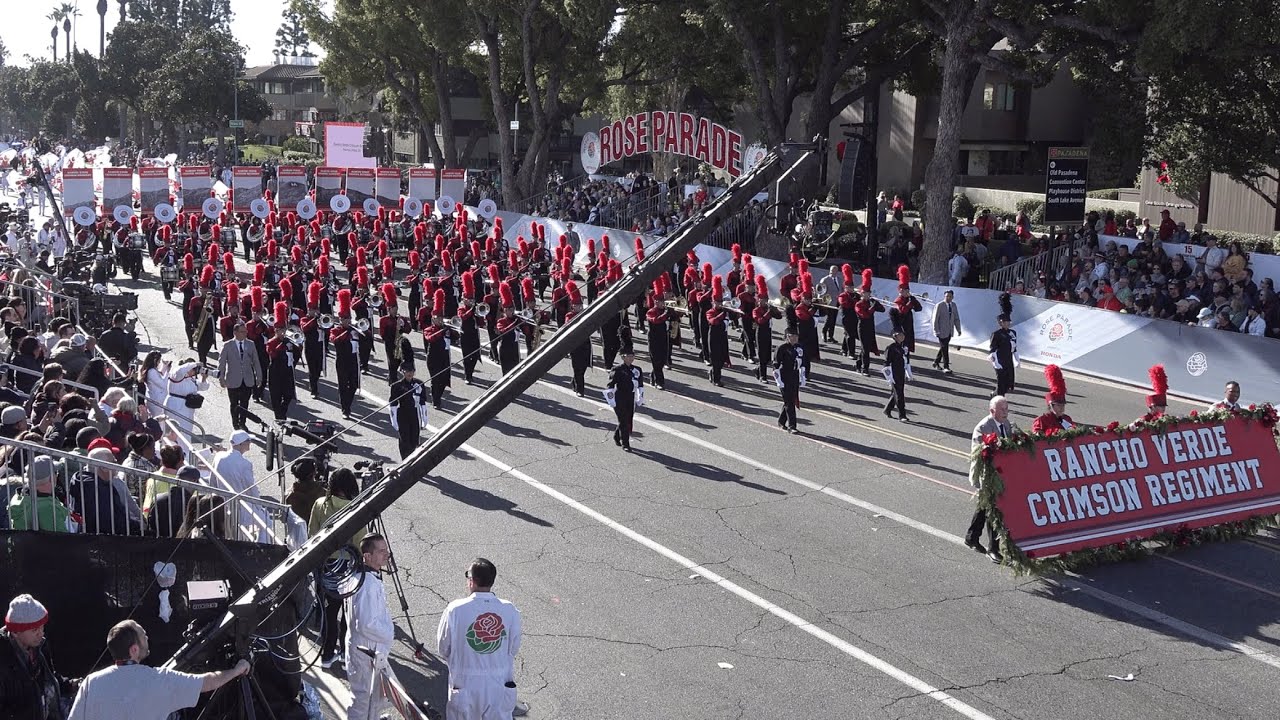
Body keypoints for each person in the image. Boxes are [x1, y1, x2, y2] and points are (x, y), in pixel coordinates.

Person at [67, 619, 249, 720]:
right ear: (134, 650)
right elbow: (207, 682)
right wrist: (237, 670)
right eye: (143, 635)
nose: (147, 637)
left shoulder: (91, 683)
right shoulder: (159, 680)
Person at [437, 558, 522, 720]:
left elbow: (443, 647)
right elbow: (513, 648)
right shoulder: (509, 610)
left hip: (465, 685)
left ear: (472, 581)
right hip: (498, 686)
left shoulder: (455, 610)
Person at [310, 468, 366, 668]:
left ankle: (326, 654)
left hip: (325, 564)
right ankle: (345, 654)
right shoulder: (355, 509)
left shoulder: (319, 504)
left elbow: (312, 535)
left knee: (329, 612)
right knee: (348, 612)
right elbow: (361, 542)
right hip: (347, 566)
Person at [0, 594, 75, 720]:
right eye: (35, 629)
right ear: (15, 632)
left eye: (42, 627)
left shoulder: (40, 647)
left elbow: (48, 679)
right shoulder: (3, 661)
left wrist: (70, 685)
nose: (41, 633)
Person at [345, 534, 395, 720]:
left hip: (365, 649)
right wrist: (389, 633)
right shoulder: (367, 585)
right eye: (381, 551)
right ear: (367, 556)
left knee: (372, 695)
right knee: (362, 699)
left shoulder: (364, 577)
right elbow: (366, 624)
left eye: (386, 549)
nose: (386, 554)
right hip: (365, 651)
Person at [966, 396, 1018, 563]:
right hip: (986, 476)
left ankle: (971, 537)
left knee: (984, 506)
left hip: (1001, 474)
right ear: (992, 411)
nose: (1005, 412)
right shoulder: (982, 428)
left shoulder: (1006, 425)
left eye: (1006, 409)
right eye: (1002, 409)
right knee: (994, 510)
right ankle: (993, 548)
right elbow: (979, 453)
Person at [212, 430, 266, 543]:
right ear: (241, 444)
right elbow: (251, 488)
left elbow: (213, 480)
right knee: (266, 523)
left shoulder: (219, 457)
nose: (250, 442)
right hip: (240, 505)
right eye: (248, 441)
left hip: (221, 503)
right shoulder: (245, 464)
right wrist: (259, 505)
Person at [7, 455, 73, 532]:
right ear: (51, 478)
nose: (57, 475)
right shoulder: (48, 508)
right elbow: (62, 539)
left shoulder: (18, 496)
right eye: (56, 473)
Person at [217, 323, 263, 432]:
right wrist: (221, 378)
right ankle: (235, 423)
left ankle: (242, 422)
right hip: (233, 380)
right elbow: (222, 363)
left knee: (244, 403)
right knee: (234, 403)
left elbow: (256, 361)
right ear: (235, 333)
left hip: (247, 379)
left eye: (246, 331)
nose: (245, 334)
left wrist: (259, 376)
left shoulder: (250, 344)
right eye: (242, 332)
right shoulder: (228, 345)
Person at [388, 362, 429, 460]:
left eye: (412, 371)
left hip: (415, 414)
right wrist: (394, 421)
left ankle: (413, 459)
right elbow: (393, 404)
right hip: (402, 414)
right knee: (404, 440)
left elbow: (423, 402)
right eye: (407, 371)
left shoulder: (419, 384)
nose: (409, 373)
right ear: (402, 372)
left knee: (414, 439)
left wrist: (424, 417)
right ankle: (405, 460)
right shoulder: (397, 386)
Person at [606, 351, 643, 452]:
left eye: (632, 356)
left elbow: (640, 385)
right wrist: (611, 400)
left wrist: (640, 397)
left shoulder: (637, 369)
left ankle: (617, 435)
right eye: (629, 356)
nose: (631, 358)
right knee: (623, 421)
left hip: (631, 397)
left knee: (628, 419)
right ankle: (625, 444)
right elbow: (610, 385)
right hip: (620, 397)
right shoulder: (617, 369)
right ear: (623, 357)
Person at [773, 327, 803, 433]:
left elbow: (802, 363)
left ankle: (781, 421)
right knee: (789, 401)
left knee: (790, 400)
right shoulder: (782, 348)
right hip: (784, 376)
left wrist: (802, 376)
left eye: (796, 336)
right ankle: (792, 426)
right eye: (792, 336)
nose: (794, 338)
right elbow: (776, 366)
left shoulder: (799, 347)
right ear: (787, 337)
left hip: (794, 376)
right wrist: (778, 381)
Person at [1031, 365, 1075, 434]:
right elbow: (1036, 438)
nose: (1062, 408)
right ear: (1051, 405)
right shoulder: (1042, 420)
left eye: (1063, 405)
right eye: (1059, 405)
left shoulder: (1067, 419)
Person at [882, 327, 911, 423]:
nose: (902, 336)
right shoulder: (891, 348)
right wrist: (889, 377)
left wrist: (908, 373)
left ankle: (888, 409)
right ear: (895, 336)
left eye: (903, 334)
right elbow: (886, 363)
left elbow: (906, 361)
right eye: (900, 334)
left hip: (901, 372)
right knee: (899, 394)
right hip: (894, 373)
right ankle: (902, 415)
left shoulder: (903, 347)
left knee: (897, 392)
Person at [930, 290, 961, 373]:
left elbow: (956, 318)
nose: (948, 298)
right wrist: (936, 330)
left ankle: (936, 362)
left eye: (950, 296)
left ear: (952, 297)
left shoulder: (953, 305)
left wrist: (958, 329)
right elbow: (935, 319)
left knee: (943, 347)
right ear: (944, 296)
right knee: (945, 348)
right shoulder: (939, 305)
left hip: (949, 330)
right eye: (947, 296)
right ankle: (946, 366)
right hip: (941, 331)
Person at [988, 314, 1017, 397]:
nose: (1007, 323)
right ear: (1000, 323)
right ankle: (1000, 400)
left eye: (1008, 322)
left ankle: (995, 393)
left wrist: (1016, 359)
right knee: (1001, 380)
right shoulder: (996, 334)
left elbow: (1014, 347)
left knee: (1008, 382)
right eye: (1004, 322)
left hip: (1009, 360)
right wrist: (995, 363)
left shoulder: (1013, 333)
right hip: (999, 360)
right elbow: (992, 350)